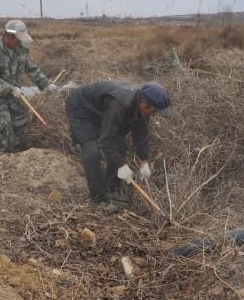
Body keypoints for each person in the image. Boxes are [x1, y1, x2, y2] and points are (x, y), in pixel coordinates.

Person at [65, 81, 171, 212]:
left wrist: (144, 161)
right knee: (92, 152)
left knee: (120, 146)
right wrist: (121, 165)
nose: (154, 114)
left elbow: (141, 133)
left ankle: (112, 188)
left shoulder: (142, 108)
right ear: (144, 102)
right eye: (154, 110)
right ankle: (99, 200)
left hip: (101, 111)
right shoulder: (119, 104)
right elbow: (106, 140)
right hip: (81, 108)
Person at [0, 19, 56, 153]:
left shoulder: (21, 48)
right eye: (18, 39)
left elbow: (31, 68)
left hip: (15, 89)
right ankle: (4, 154)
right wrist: (9, 89)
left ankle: (21, 151)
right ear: (9, 37)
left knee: (21, 117)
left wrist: (46, 85)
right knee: (4, 123)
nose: (20, 42)